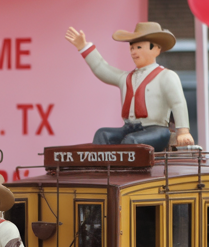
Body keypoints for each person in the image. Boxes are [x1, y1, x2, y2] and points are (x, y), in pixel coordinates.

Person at [65, 22, 193, 152]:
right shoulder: (125, 78)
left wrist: (183, 131)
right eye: (132, 48)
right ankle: (101, 170)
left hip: (156, 130)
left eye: (139, 47)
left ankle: (125, 172)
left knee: (132, 141)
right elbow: (102, 68)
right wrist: (83, 47)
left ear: (155, 49)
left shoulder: (167, 76)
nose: (134, 52)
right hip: (129, 128)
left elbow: (178, 103)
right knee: (102, 134)